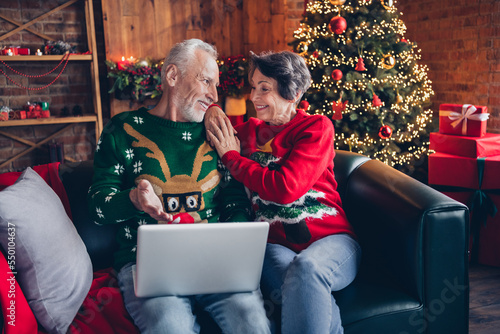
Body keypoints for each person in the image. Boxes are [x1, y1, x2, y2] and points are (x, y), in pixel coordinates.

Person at [87, 39, 271, 334]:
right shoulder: (121, 129)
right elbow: (97, 207)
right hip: (147, 266)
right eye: (206, 81)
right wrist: (133, 198)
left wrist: (237, 254)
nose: (214, 94)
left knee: (252, 321)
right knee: (171, 327)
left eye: (216, 85)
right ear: (172, 76)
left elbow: (234, 198)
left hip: (215, 260)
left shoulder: (217, 131)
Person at [206, 50, 361, 334]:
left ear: (293, 93)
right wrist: (213, 110)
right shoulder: (247, 132)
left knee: (308, 269)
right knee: (306, 282)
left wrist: (232, 157)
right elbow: (203, 126)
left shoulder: (316, 127)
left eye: (265, 89)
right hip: (273, 245)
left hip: (332, 240)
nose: (254, 97)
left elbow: (286, 188)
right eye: (253, 87)